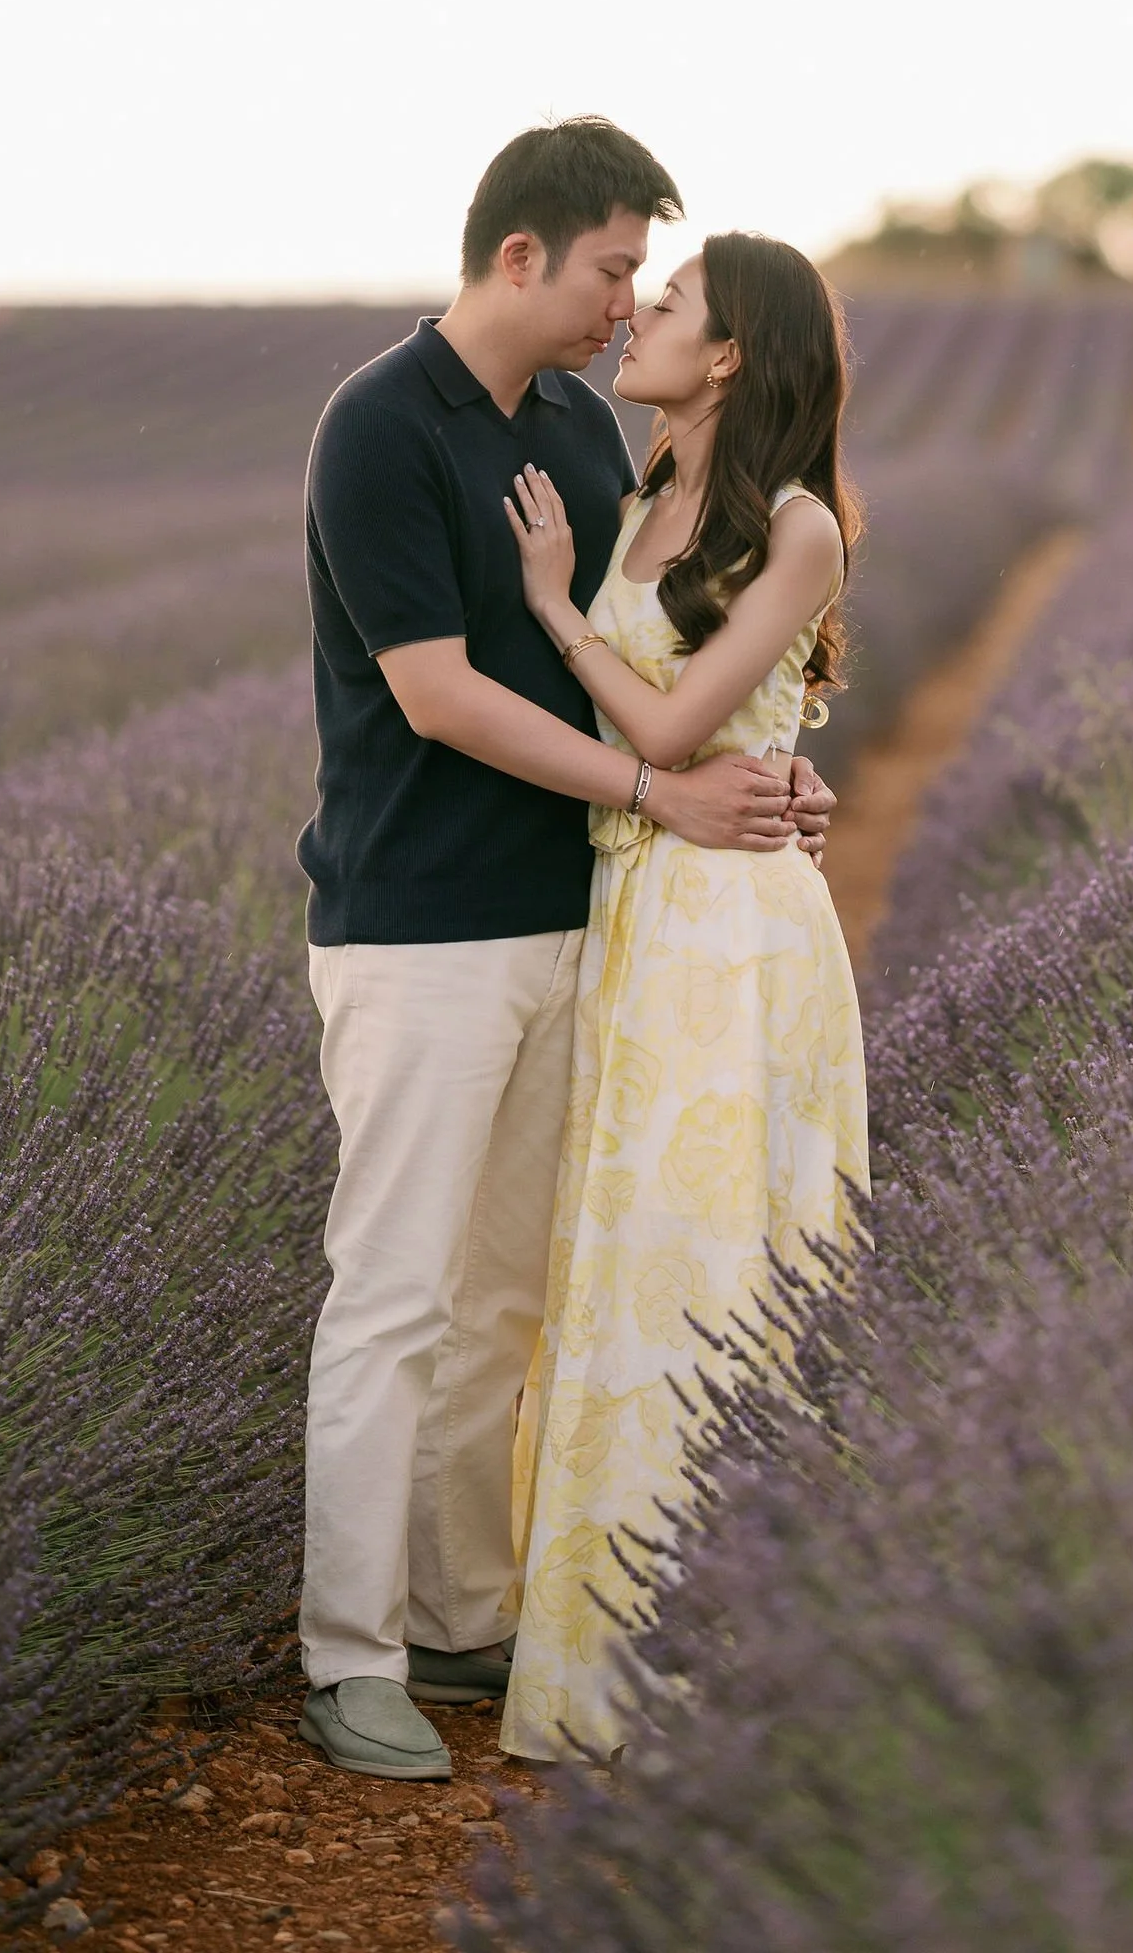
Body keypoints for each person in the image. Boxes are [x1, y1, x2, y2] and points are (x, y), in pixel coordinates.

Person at [295, 120, 836, 1783]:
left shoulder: (597, 432)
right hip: (419, 927)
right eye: (612, 269)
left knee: (510, 1305)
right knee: (393, 1296)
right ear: (520, 256)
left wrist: (782, 746)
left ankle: (462, 1617)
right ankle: (347, 1653)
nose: (623, 305)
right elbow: (438, 691)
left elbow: (672, 629)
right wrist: (659, 789)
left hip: (584, 920)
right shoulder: (380, 426)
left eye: (643, 282)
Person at [497, 231, 869, 1763]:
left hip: (733, 929)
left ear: (724, 356)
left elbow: (675, 718)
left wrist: (548, 605)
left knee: (709, 1267)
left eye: (666, 304)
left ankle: (708, 1668)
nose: (635, 316)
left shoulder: (800, 531)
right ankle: (595, 1649)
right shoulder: (642, 488)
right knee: (618, 1260)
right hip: (643, 903)